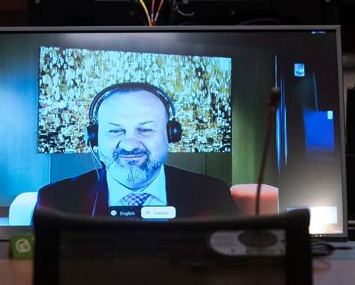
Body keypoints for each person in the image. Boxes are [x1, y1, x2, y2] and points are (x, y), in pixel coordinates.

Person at [37, 82, 238, 218]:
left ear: (171, 134)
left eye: (146, 130)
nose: (130, 145)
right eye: (115, 131)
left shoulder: (212, 194)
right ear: (94, 137)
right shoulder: (55, 200)